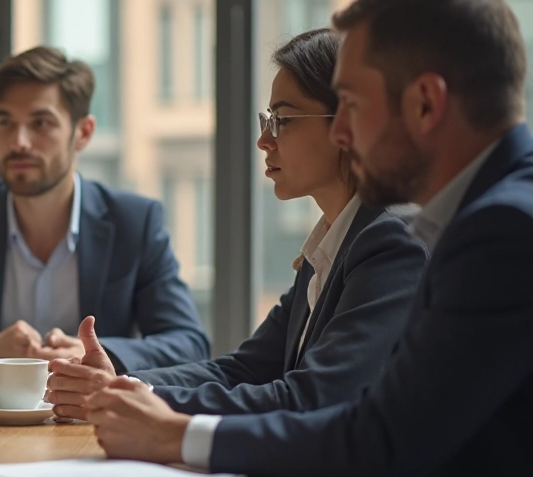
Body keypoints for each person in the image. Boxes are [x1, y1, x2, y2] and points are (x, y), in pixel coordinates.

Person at [85, 0, 533, 477]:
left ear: (424, 104)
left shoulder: (503, 232)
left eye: (353, 105)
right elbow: (270, 374)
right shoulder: (480, 216)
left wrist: (177, 434)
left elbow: (377, 435)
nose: (343, 133)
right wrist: (135, 393)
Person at [46, 29, 426, 431]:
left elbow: (313, 397)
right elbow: (244, 369)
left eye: (283, 120)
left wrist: (135, 397)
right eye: (267, 121)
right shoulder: (332, 245)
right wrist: (124, 386)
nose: (264, 140)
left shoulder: (392, 242)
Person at [0, 46, 209, 373]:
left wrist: (102, 354)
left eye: (40, 123)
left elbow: (188, 342)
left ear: (82, 133)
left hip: (89, 418)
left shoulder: (133, 222)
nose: (19, 142)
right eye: (6, 122)